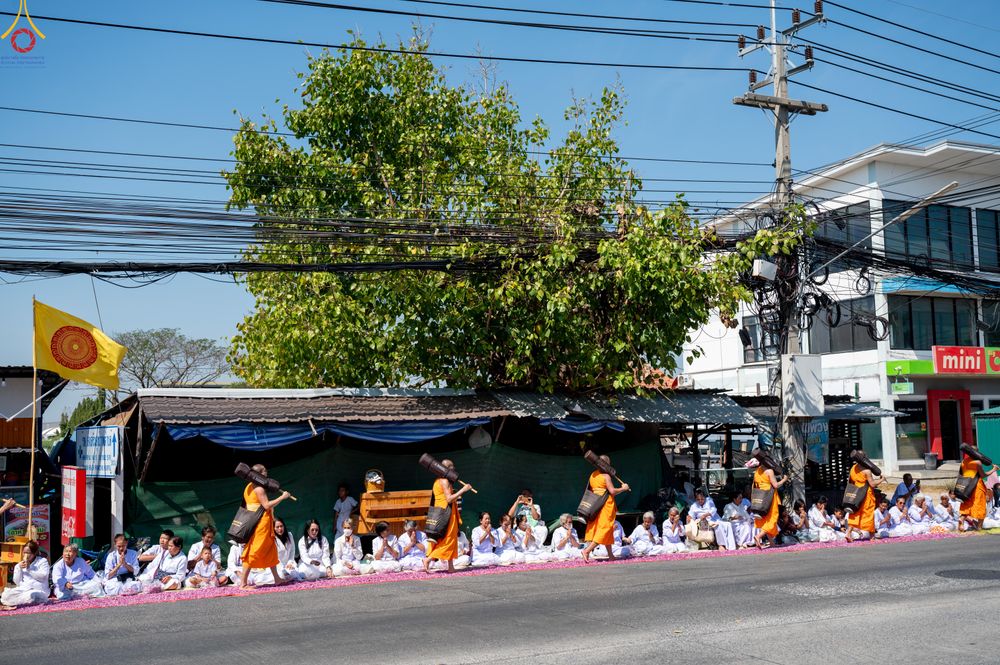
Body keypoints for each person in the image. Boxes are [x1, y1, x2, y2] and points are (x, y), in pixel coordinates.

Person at [239, 464, 292, 589]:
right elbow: (266, 505)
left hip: (259, 520)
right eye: (265, 472)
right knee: (253, 551)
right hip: (260, 523)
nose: (267, 475)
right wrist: (282, 497)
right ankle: (243, 583)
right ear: (260, 474)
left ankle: (277, 579)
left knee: (270, 549)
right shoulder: (258, 488)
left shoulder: (248, 486)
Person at [423, 459, 475, 573]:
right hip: (446, 513)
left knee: (449, 539)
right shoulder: (444, 481)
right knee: (448, 539)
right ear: (446, 469)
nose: (454, 470)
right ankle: (428, 559)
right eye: (452, 468)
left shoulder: (438, 481)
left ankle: (450, 567)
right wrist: (463, 490)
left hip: (442, 512)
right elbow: (449, 499)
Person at [580, 454, 630, 563]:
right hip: (605, 504)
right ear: (607, 465)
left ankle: (611, 556)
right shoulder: (606, 476)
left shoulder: (593, 475)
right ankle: (587, 551)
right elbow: (612, 491)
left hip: (595, 504)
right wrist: (623, 488)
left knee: (607, 530)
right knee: (605, 528)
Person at [752, 453, 787, 549]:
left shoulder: (757, 471)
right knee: (772, 519)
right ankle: (758, 536)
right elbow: (775, 485)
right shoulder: (769, 471)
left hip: (760, 498)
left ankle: (772, 543)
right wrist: (784, 480)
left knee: (766, 520)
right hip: (769, 498)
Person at [1, 540, 49, 609]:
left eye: (28, 553)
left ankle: (16, 602)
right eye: (24, 552)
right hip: (23, 589)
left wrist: (29, 570)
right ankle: (16, 602)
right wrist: (18, 568)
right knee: (5, 595)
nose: (26, 555)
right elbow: (17, 582)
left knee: (32, 596)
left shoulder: (42, 561)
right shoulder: (20, 564)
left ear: (34, 553)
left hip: (38, 590)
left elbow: (43, 577)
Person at [845, 453, 883, 542]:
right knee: (868, 514)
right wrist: (881, 479)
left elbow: (850, 480)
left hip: (856, 493)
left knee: (855, 513)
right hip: (866, 494)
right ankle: (872, 537)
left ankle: (848, 533)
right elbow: (872, 484)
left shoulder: (853, 468)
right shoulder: (867, 471)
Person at [958, 443, 993, 531]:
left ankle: (961, 520)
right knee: (980, 505)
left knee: (967, 505)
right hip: (977, 485)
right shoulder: (977, 462)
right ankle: (979, 527)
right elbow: (983, 475)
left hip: (965, 486)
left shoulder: (963, 462)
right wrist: (993, 470)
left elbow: (960, 474)